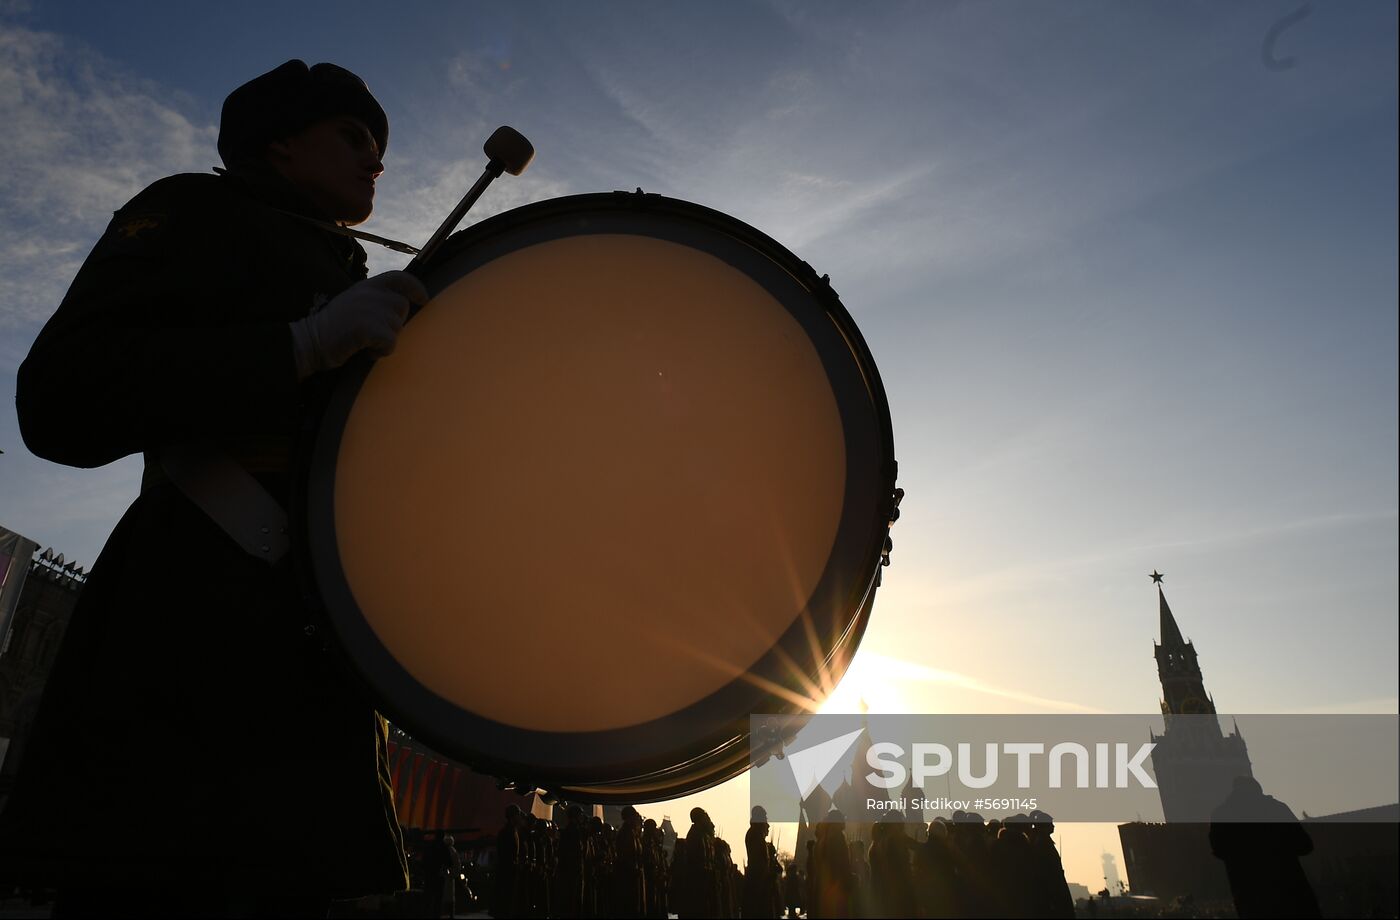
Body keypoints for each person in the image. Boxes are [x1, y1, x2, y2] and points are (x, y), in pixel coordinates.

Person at [0, 60, 427, 916]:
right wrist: (299, 347)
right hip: (182, 653)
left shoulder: (355, 276)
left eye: (379, 145)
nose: (376, 160)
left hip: (320, 669)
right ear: (278, 142)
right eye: (352, 135)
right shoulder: (196, 212)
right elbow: (61, 398)